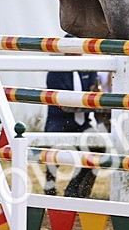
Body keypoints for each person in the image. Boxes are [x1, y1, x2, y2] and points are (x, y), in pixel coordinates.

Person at [42, 62, 101, 197]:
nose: (77, 54)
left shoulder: (89, 68)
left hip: (82, 121)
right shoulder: (55, 71)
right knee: (55, 144)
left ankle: (75, 187)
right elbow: (63, 105)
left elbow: (95, 91)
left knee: (99, 147)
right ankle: (49, 184)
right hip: (59, 119)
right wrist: (92, 104)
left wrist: (97, 93)